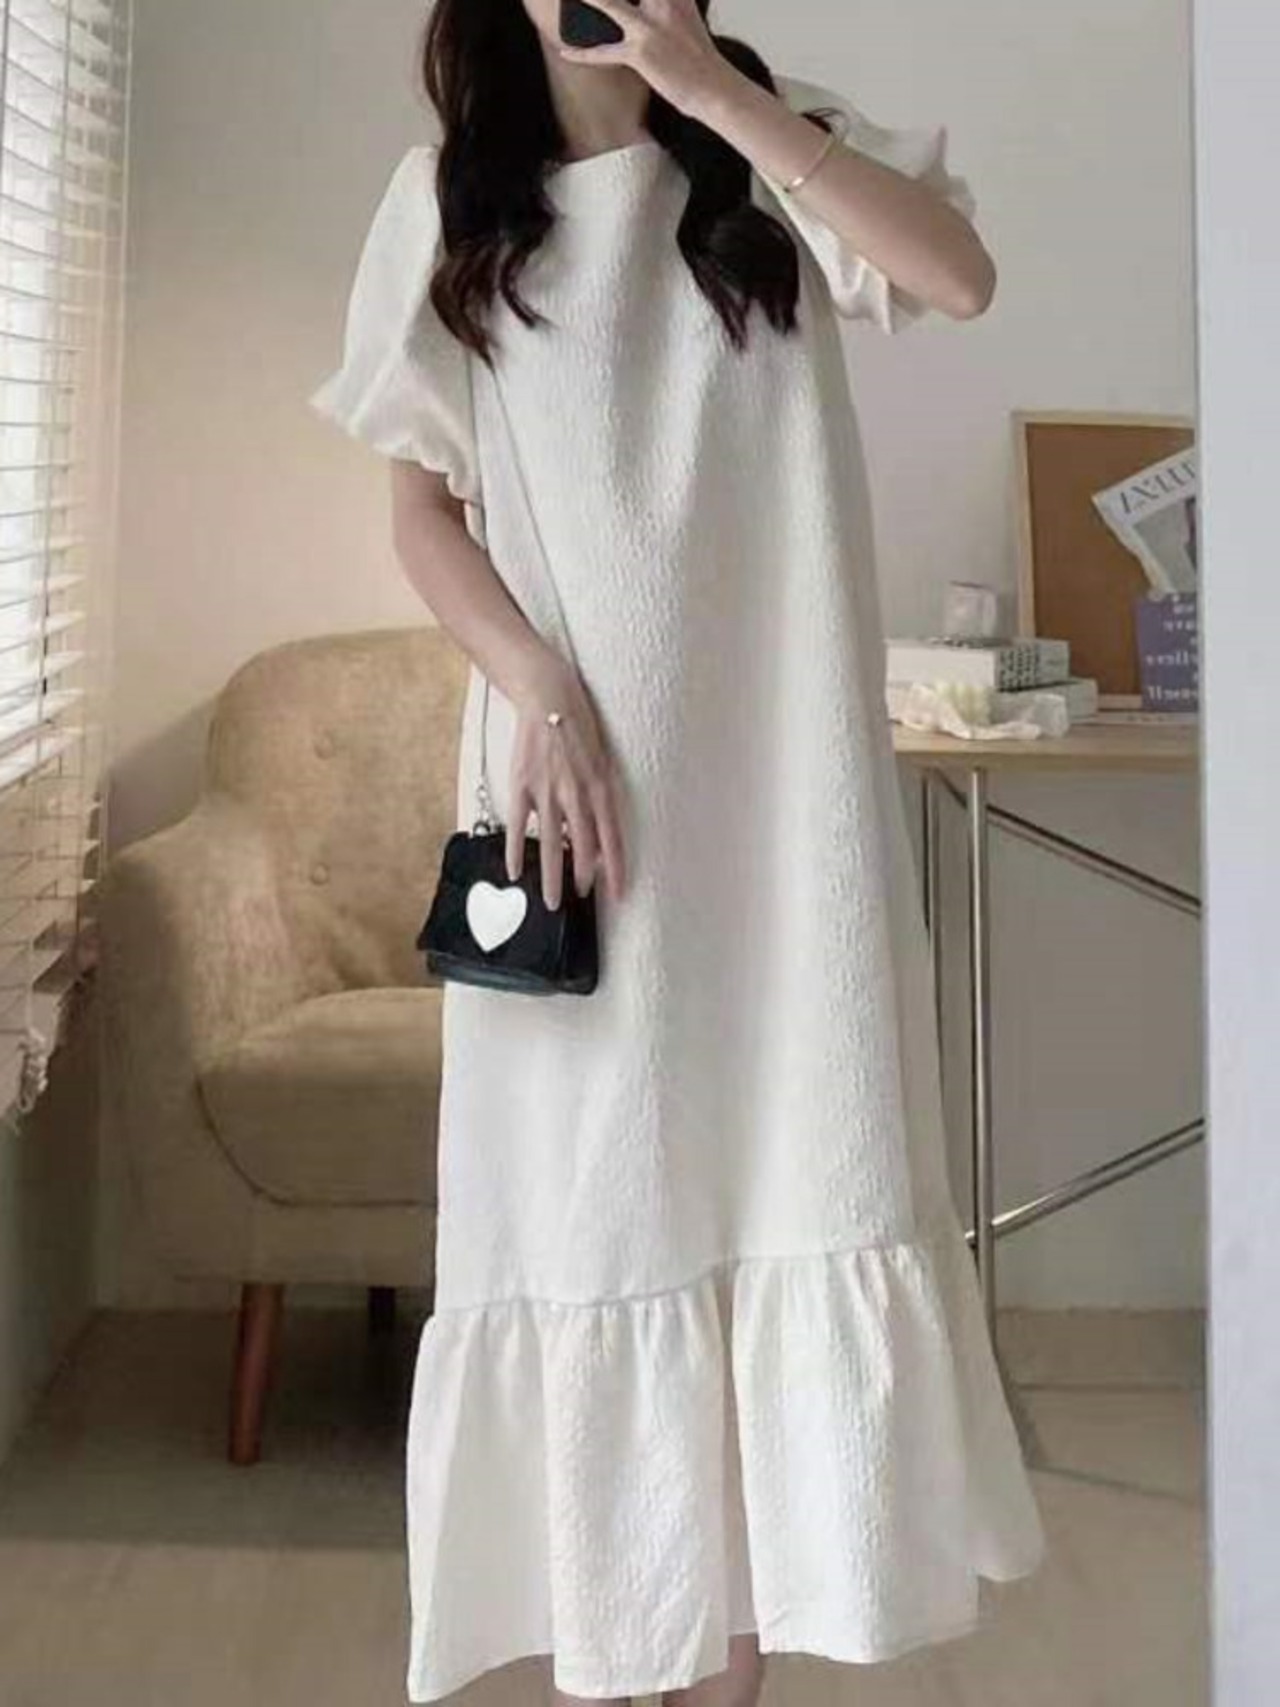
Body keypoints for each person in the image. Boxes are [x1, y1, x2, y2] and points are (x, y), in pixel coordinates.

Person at [309, 2, 1046, 1703]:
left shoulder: (770, 152)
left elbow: (955, 279)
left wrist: (708, 92)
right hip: (576, 798)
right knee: (609, 1207)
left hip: (785, 801)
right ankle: (636, 1650)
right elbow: (421, 511)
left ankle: (729, 1678)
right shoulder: (445, 202)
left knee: (787, 1171)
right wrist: (538, 686)